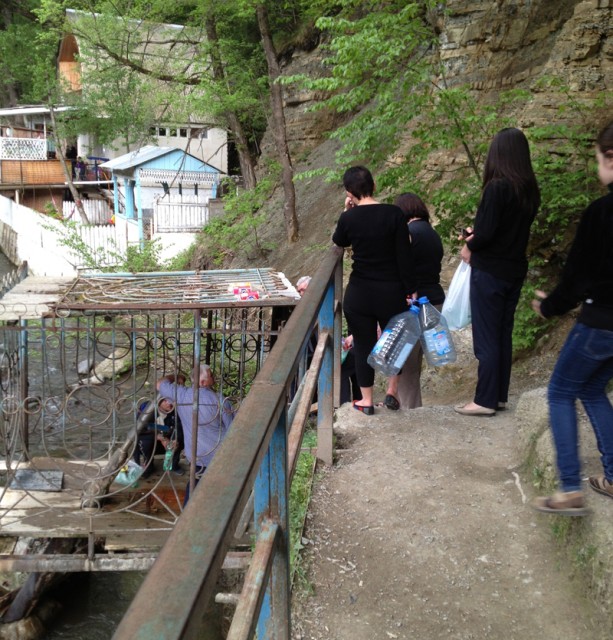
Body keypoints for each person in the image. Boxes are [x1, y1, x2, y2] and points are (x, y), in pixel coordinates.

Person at [532, 122, 613, 516]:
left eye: (599, 158)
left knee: (561, 392)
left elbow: (578, 277)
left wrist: (549, 307)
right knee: (594, 389)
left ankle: (569, 489)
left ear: (610, 158)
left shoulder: (602, 212)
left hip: (601, 321)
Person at [455, 128, 540, 417]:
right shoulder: (529, 190)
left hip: (490, 270)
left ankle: (484, 400)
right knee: (503, 333)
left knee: (487, 336)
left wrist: (469, 238)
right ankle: (498, 395)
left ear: (498, 154)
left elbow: (487, 234)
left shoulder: (497, 187)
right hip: (514, 268)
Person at [332, 165, 415, 415]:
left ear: (349, 192)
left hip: (359, 293)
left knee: (364, 344)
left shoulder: (349, 218)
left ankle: (366, 400)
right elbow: (404, 255)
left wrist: (348, 211)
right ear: (374, 185)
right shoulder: (394, 214)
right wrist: (410, 289)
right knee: (394, 342)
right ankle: (391, 391)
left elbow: (339, 241)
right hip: (390, 291)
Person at [387, 193, 444, 409]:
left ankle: (408, 409)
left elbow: (400, 266)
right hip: (435, 300)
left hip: (415, 302)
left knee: (406, 361)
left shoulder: (409, 233)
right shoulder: (432, 233)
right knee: (414, 359)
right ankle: (412, 405)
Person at [157, 364, 234, 503]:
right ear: (203, 382)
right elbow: (233, 429)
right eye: (211, 375)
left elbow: (159, 384)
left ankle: (187, 516)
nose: (214, 378)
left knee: (195, 485)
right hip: (218, 454)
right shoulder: (220, 400)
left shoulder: (181, 394)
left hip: (196, 454)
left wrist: (177, 377)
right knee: (217, 490)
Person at [134, 396, 185, 477]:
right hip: (149, 441)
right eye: (165, 401)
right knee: (147, 441)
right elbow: (139, 429)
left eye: (171, 400)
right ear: (158, 401)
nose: (169, 403)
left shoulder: (176, 410)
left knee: (180, 440)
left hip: (167, 442)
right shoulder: (147, 408)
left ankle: (173, 464)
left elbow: (179, 427)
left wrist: (175, 440)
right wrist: (161, 438)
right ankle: (148, 465)